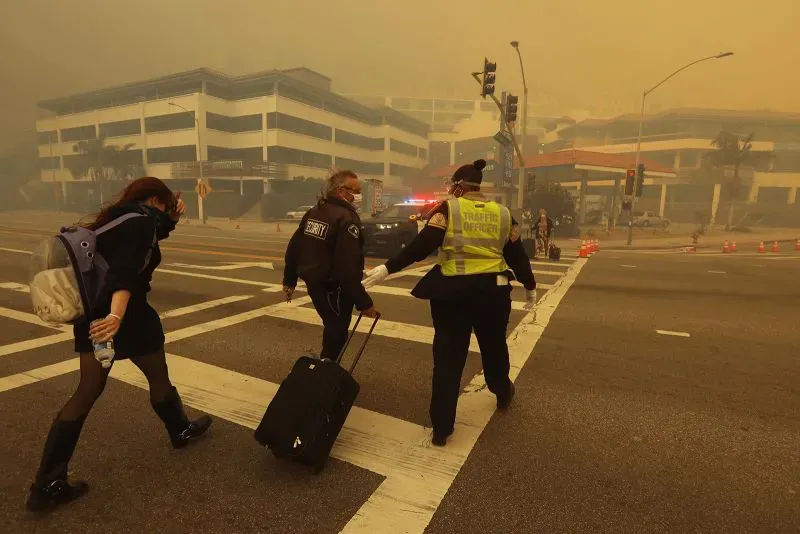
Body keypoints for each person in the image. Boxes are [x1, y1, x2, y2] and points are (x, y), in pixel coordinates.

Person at [26, 177, 213, 512]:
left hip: (94, 319)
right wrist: (116, 316)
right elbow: (126, 270)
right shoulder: (140, 223)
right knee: (158, 377)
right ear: (156, 200)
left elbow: (138, 248)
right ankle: (180, 430)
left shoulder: (118, 219)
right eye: (167, 205)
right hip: (126, 317)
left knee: (87, 389)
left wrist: (170, 221)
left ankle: (47, 482)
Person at [362, 159, 536, 446]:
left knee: (448, 358)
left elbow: (422, 245)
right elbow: (517, 254)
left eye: (451, 185)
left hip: (452, 294)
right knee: (494, 346)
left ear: (459, 186)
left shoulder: (448, 209)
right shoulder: (504, 214)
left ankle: (442, 428)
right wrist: (529, 286)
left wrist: (388, 269)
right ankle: (502, 391)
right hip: (493, 293)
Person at [282, 170, 379, 361]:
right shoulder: (346, 219)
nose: (359, 196)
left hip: (315, 284)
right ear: (342, 191)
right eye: (357, 191)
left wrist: (289, 280)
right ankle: (325, 371)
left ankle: (325, 366)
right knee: (337, 329)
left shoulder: (315, 211)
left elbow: (294, 246)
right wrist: (364, 303)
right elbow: (348, 267)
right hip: (334, 288)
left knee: (332, 325)